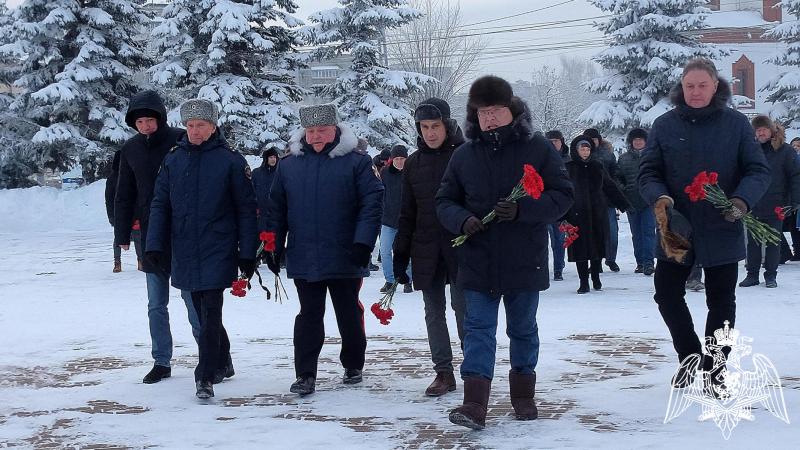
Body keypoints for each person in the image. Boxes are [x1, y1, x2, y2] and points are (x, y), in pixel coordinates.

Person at [437, 76, 573, 429]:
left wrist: (525, 210)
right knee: (478, 327)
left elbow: (562, 195)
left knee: (523, 329)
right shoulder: (463, 155)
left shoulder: (539, 148)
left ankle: (523, 395)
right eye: (483, 112)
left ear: (510, 109)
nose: (490, 118)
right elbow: (444, 200)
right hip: (478, 259)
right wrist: (462, 219)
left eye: (496, 110)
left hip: (523, 258)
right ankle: (474, 405)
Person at [639, 58, 770, 388]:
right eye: (689, 86)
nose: (695, 92)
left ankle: (717, 369)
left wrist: (740, 201)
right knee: (667, 295)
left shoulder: (736, 124)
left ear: (715, 86)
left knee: (721, 301)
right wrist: (662, 200)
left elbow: (757, 170)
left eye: (702, 85)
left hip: (722, 224)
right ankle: (689, 357)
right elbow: (649, 172)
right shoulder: (665, 125)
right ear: (681, 87)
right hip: (676, 227)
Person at [266, 103, 383, 397]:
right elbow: (276, 208)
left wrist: (363, 243)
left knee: (347, 312)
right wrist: (273, 243)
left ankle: (353, 363)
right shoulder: (289, 164)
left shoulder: (356, 162)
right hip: (305, 253)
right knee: (309, 314)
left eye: (322, 130)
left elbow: (371, 203)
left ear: (335, 130)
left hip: (346, 252)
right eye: (311, 131)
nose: (316, 136)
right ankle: (305, 374)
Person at [147, 99, 257, 399]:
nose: (195, 131)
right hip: (183, 247)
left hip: (218, 247)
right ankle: (223, 361)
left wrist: (247, 252)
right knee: (199, 310)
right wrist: (154, 244)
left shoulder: (230, 161)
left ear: (213, 126)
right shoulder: (173, 159)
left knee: (210, 311)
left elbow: (247, 210)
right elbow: (160, 204)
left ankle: (204, 376)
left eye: (201, 126)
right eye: (190, 126)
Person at [114, 90, 202, 384]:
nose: (145, 126)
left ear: (160, 118)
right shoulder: (130, 150)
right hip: (149, 236)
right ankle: (161, 361)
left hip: (182, 233)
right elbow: (123, 193)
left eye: (149, 120)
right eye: (139, 121)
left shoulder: (180, 140)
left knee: (193, 301)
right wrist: (122, 232)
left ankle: (211, 356)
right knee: (155, 304)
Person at [392, 97, 467, 397]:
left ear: (447, 125)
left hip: (462, 247)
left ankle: (474, 371)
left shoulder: (465, 156)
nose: (430, 133)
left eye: (435, 126)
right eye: (424, 127)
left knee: (464, 310)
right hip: (426, 248)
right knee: (433, 312)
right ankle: (443, 372)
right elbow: (406, 213)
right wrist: (400, 254)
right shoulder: (413, 162)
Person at [738, 115, 800, 288]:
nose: (761, 133)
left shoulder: (785, 151)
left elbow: (795, 176)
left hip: (777, 204)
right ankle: (752, 275)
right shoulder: (751, 150)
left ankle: (771, 275)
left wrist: (795, 201)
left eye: (764, 129)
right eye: (758, 130)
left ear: (771, 130)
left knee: (773, 242)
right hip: (753, 203)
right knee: (753, 242)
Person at [563, 136, 630, 294]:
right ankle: (583, 281)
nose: (585, 152)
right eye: (582, 149)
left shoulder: (597, 166)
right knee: (580, 249)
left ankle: (595, 277)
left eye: (587, 149)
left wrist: (623, 203)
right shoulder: (568, 168)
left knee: (597, 246)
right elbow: (563, 191)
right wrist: (560, 213)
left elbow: (609, 186)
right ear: (576, 150)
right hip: (576, 214)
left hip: (597, 212)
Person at [616, 128, 656, 275]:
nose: (638, 142)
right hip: (631, 201)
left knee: (649, 232)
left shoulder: (652, 156)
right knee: (636, 234)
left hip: (648, 201)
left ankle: (649, 263)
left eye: (641, 139)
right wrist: (623, 189)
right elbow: (617, 177)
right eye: (635, 140)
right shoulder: (623, 158)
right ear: (631, 142)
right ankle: (640, 262)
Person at [583, 128, 621, 273]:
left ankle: (611, 259)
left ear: (598, 140)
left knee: (611, 232)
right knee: (593, 232)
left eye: (594, 139)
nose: (592, 142)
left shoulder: (608, 155)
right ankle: (595, 261)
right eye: (589, 140)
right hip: (589, 200)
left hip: (608, 199)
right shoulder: (581, 155)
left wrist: (616, 187)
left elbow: (616, 172)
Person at [378, 144, 412, 294]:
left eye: (402, 158)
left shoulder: (412, 172)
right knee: (385, 250)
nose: (399, 161)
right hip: (388, 219)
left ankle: (407, 280)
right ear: (392, 159)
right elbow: (379, 193)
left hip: (407, 220)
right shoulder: (385, 173)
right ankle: (390, 280)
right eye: (396, 158)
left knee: (406, 251)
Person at [106, 149, 142, 272]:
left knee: (138, 237)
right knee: (118, 238)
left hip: (134, 212)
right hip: (118, 214)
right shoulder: (112, 178)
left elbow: (139, 195)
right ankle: (117, 262)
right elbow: (109, 198)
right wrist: (111, 215)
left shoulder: (134, 175)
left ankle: (141, 261)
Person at [545, 130, 569, 280]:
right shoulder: (541, 159)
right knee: (544, 239)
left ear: (562, 141)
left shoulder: (568, 160)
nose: (554, 143)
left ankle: (558, 268)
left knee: (560, 239)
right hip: (544, 204)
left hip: (562, 206)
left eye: (556, 140)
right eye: (550, 141)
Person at [252, 146, 281, 233]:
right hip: (259, 215)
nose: (273, 159)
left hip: (275, 217)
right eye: (271, 157)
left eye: (275, 157)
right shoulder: (257, 173)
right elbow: (251, 192)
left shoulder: (280, 174)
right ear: (266, 158)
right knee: (259, 242)